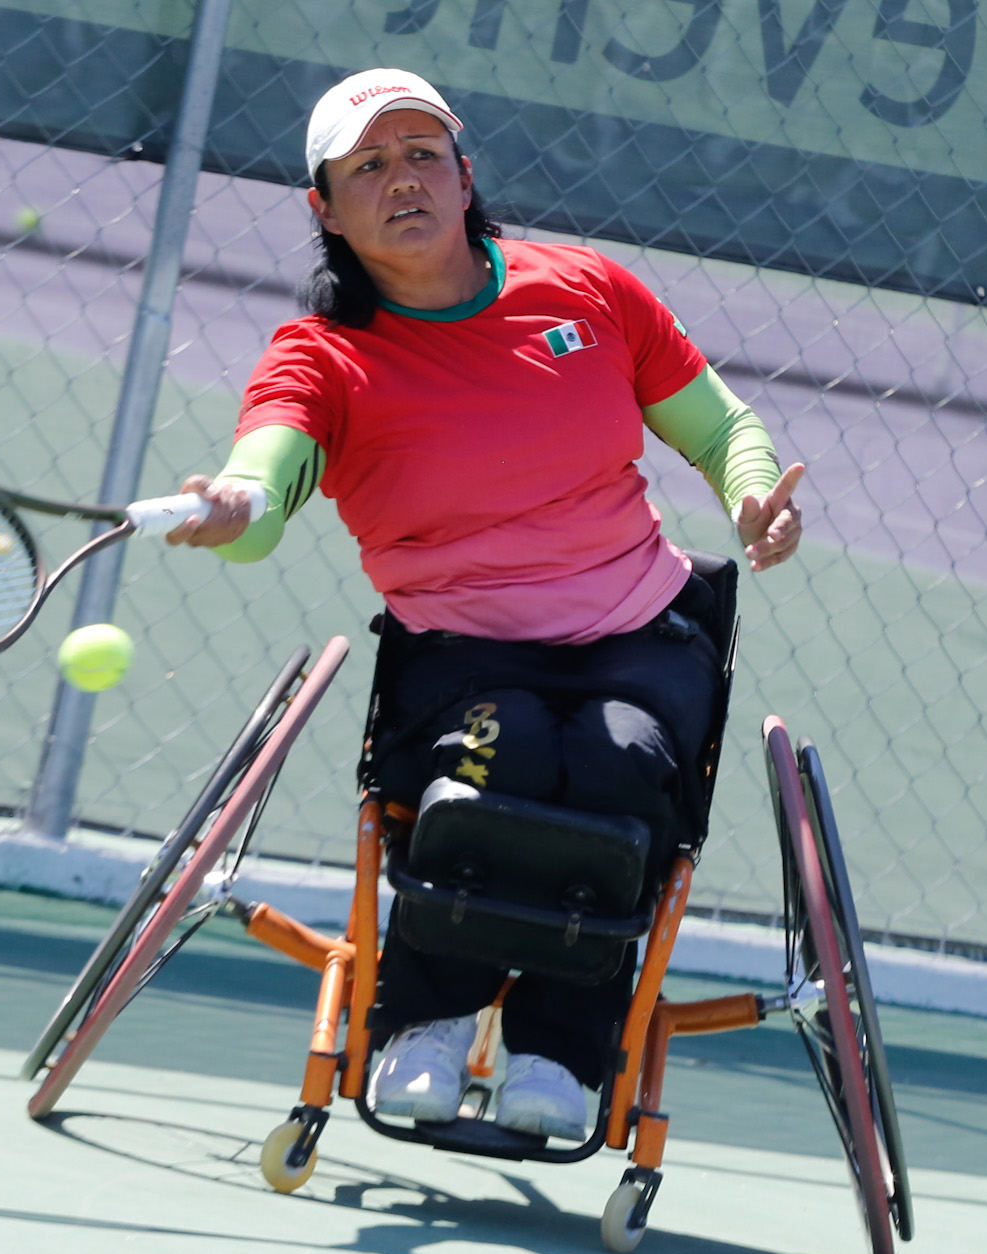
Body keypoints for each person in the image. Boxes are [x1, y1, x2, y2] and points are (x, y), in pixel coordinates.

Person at [167, 68, 804, 1140]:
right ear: (324, 210)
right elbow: (266, 480)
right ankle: (422, 1024)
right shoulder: (323, 359)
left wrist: (752, 497)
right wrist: (235, 505)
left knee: (619, 769)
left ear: (463, 175)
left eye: (421, 153)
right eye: (367, 166)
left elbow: (723, 427)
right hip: (461, 655)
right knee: (490, 763)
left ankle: (560, 1049)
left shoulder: (586, 291)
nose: (400, 179)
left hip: (637, 635)